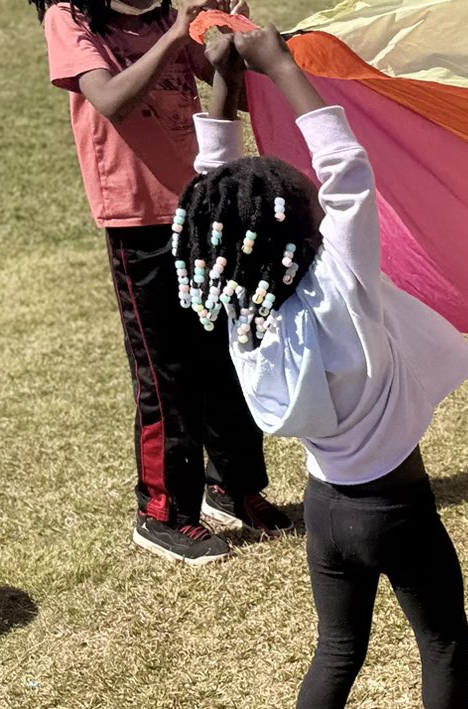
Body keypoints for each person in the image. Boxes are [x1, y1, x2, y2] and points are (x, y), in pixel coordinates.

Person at [183, 29, 468, 709]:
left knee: (338, 649)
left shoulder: (240, 313)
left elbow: (215, 200)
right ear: (300, 231)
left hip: (328, 510)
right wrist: (281, 66)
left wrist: (221, 91)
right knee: (442, 637)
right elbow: (350, 173)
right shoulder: (344, 288)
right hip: (396, 504)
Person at [31, 0, 292, 566]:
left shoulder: (165, 18)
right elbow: (111, 100)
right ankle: (164, 513)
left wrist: (227, 42)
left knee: (226, 358)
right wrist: (178, 32)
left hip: (201, 209)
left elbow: (231, 92)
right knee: (165, 374)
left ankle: (233, 485)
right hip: (137, 223)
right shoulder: (71, 19)